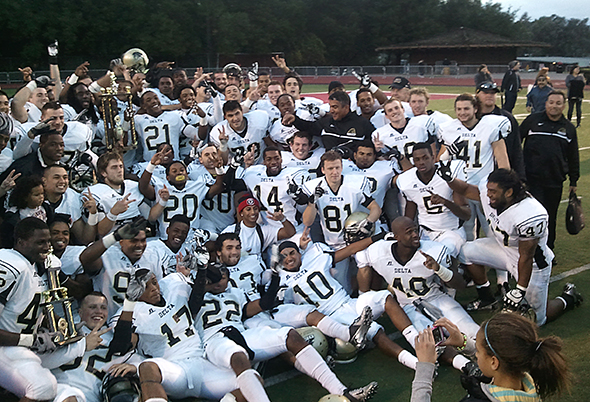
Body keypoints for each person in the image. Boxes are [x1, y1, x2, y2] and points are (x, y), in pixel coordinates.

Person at [444, 168, 582, 323]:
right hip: (505, 249)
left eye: (493, 191)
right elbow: (467, 189)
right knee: (465, 251)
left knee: (536, 320)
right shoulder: (491, 192)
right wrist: (449, 179)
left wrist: (520, 289)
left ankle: (568, 298)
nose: (488, 194)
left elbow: (526, 256)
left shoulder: (530, 214)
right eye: (488, 189)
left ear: (509, 193)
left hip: (532, 264)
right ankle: (486, 298)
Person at [356, 216, 481, 375]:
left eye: (416, 230)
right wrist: (364, 294)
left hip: (435, 298)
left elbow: (460, 284)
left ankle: (495, 357)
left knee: (472, 333)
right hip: (408, 306)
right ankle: (468, 366)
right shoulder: (378, 252)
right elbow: (362, 263)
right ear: (397, 237)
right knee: (433, 344)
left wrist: (438, 269)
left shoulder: (433, 250)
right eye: (409, 232)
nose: (415, 234)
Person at [0, 217, 89, 402]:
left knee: (69, 386)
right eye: (40, 242)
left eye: (48, 241)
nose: (47, 246)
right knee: (42, 386)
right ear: (21, 242)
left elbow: (29, 309)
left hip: (20, 346)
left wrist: (60, 327)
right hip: (6, 345)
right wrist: (31, 340)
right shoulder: (10, 265)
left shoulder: (36, 266)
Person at [411, 313, 571, 402]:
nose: (476, 355)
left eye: (478, 351)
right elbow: (495, 359)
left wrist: (425, 367)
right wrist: (463, 342)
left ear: (494, 362)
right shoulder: (530, 383)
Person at [301, 150, 381, 292]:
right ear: (323, 170)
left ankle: (365, 296)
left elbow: (375, 208)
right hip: (334, 243)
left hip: (357, 239)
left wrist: (368, 222)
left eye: (337, 167)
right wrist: (312, 202)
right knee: (341, 286)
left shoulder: (354, 184)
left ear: (342, 167)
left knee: (365, 262)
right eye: (330, 168)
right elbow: (307, 221)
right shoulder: (314, 187)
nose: (334, 172)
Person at [437, 93, 510, 242]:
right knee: (466, 231)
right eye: (458, 109)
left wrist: (504, 185)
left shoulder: (491, 126)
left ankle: (500, 264)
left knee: (493, 230)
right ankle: (469, 264)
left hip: (484, 187)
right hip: (460, 187)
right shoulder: (448, 129)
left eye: (466, 108)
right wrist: (450, 151)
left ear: (475, 108)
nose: (462, 112)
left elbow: (502, 160)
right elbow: (440, 161)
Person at [520, 90, 579, 251]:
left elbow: (573, 156)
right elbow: (516, 143)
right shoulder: (533, 120)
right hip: (530, 179)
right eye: (551, 102)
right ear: (546, 103)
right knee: (529, 217)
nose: (554, 106)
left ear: (564, 106)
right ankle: (527, 251)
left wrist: (574, 180)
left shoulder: (568, 128)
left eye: (558, 103)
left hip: (554, 180)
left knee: (549, 216)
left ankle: (547, 250)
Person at [396, 143, 470, 257]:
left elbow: (466, 214)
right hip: (424, 232)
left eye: (425, 158)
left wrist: (445, 202)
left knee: (443, 254)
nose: (421, 162)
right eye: (417, 159)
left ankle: (455, 271)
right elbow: (410, 213)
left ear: (433, 157)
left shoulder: (447, 174)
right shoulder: (406, 180)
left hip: (451, 230)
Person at [284, 90, 376, 152]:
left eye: (335, 107)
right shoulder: (326, 122)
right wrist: (295, 120)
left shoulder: (362, 124)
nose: (331, 110)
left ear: (346, 107)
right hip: (330, 167)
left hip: (353, 168)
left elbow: (374, 144)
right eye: (330, 106)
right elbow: (309, 127)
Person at [475, 81, 525, 182]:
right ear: (477, 95)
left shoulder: (506, 118)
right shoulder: (472, 118)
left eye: (493, 93)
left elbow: (516, 149)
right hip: (476, 172)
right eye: (485, 93)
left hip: (500, 171)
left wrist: (520, 177)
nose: (489, 96)